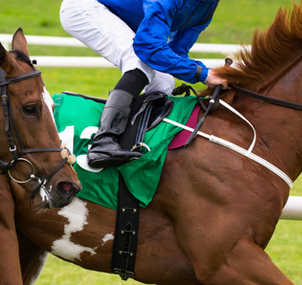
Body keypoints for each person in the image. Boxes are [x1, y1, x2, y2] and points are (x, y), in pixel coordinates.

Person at [60, 0, 229, 168]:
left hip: (114, 17)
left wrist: (211, 73)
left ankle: (138, 144)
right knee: (138, 61)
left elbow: (175, 54)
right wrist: (204, 74)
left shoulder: (206, 7)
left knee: (164, 80)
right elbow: (149, 47)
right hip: (83, 8)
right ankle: (103, 143)